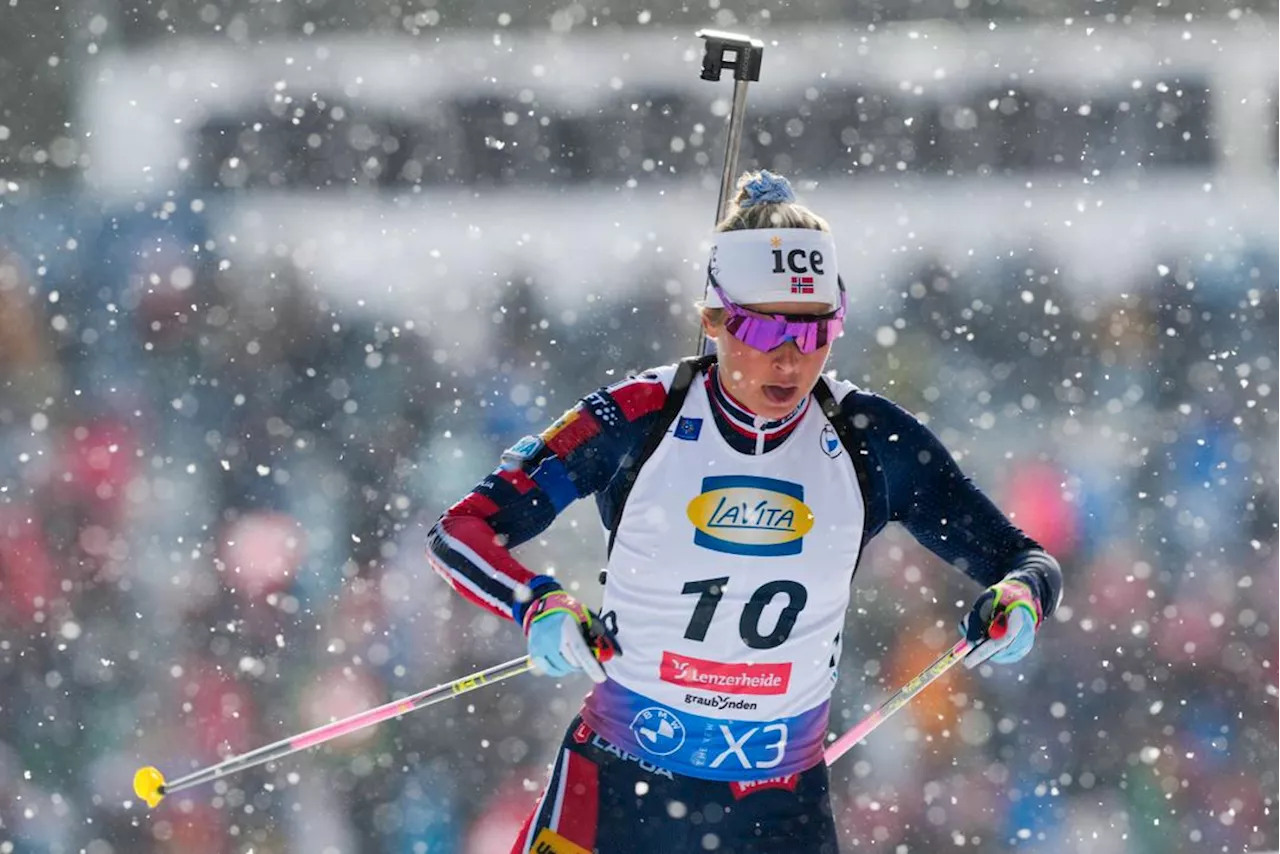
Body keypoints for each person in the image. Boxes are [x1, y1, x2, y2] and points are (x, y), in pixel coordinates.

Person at [427, 170, 1063, 854]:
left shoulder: (869, 439)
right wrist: (538, 602)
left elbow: (1024, 559)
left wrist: (1019, 598)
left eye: (817, 332)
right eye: (763, 329)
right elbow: (460, 531)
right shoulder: (638, 416)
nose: (791, 359)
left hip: (775, 809)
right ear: (714, 318)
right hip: (621, 785)